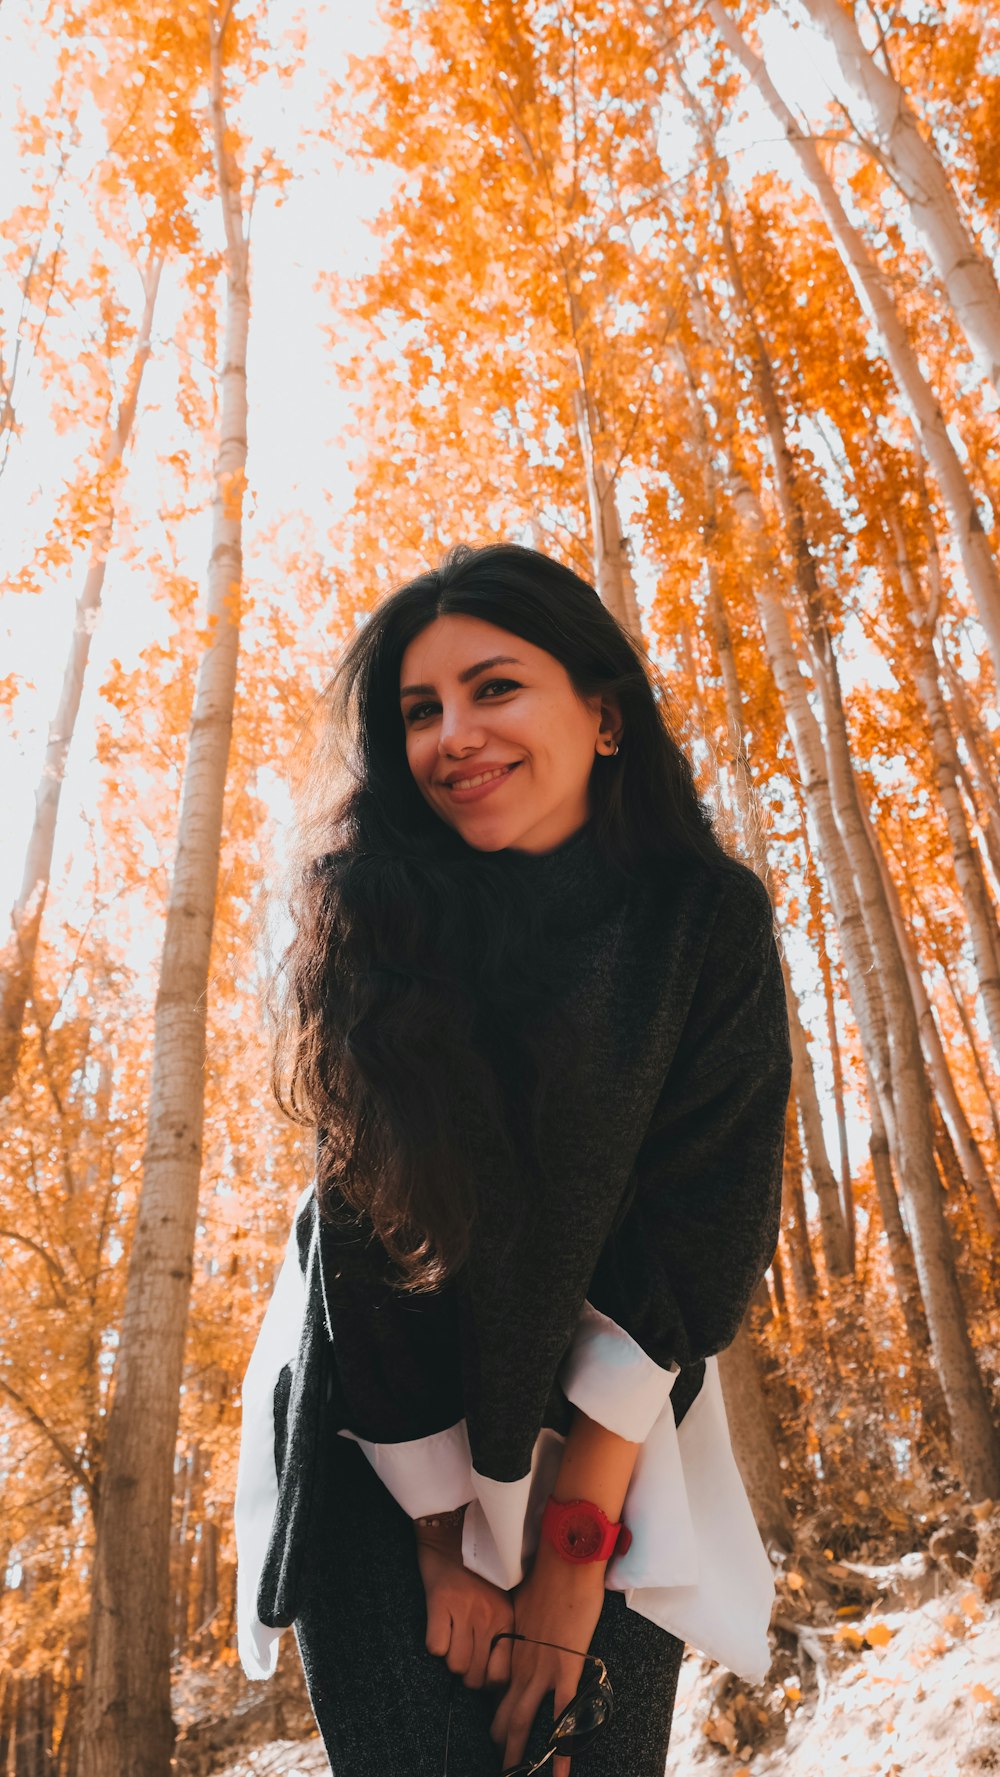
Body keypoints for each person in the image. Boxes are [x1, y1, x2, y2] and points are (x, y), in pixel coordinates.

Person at [234, 541, 793, 1776]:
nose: (452, 736)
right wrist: (444, 1532)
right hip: (384, 1446)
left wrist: (571, 1546)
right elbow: (363, 1246)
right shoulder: (370, 922)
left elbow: (693, 1239)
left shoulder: (705, 924)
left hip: (613, 1446)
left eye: (494, 687)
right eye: (419, 710)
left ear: (603, 714)